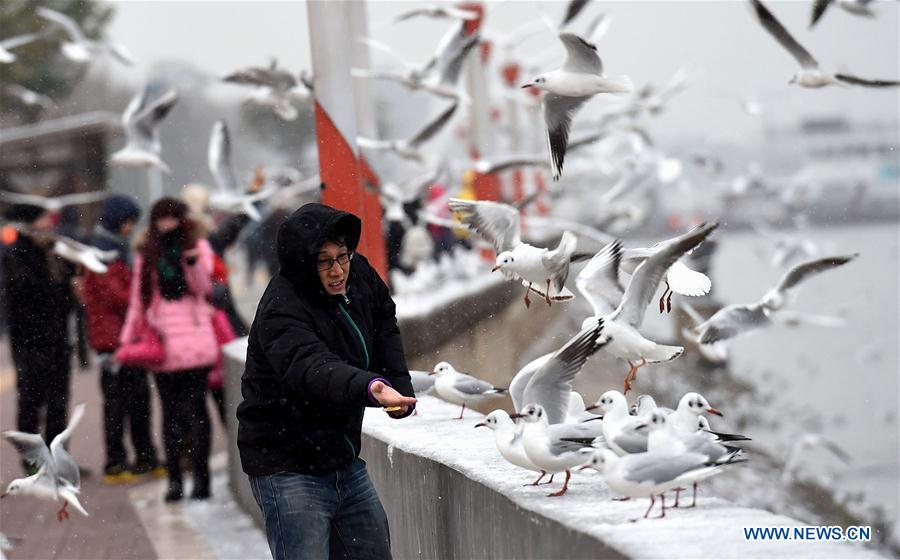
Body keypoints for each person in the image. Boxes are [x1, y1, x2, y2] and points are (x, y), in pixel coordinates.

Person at [237, 202, 417, 560]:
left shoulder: (358, 275)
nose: (338, 271)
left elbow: (384, 320)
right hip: (286, 468)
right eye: (324, 261)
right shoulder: (281, 309)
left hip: (342, 460)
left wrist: (398, 382)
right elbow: (314, 369)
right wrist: (370, 387)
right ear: (304, 263)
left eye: (343, 256)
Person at [120, 197, 219, 502]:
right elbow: (139, 299)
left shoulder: (197, 247)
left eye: (171, 218)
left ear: (182, 219)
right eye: (160, 218)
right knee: (170, 416)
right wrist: (127, 339)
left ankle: (202, 480)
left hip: (195, 342)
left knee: (197, 415)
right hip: (163, 345)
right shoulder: (146, 253)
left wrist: (191, 264)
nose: (166, 224)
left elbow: (205, 289)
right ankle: (175, 479)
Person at [83, 195, 164, 483]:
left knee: (139, 401)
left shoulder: (119, 252)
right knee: (117, 405)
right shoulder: (101, 255)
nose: (131, 227)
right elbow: (118, 297)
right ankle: (115, 463)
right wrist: (143, 289)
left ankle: (145, 456)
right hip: (112, 343)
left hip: (129, 341)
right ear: (118, 221)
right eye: (128, 221)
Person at [1, 203, 75, 474]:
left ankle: (59, 460)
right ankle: (32, 461)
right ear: (30, 224)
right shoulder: (17, 254)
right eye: (44, 220)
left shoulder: (52, 252)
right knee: (31, 402)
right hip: (30, 342)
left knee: (59, 403)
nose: (50, 225)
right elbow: (25, 296)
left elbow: (64, 295)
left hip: (56, 339)